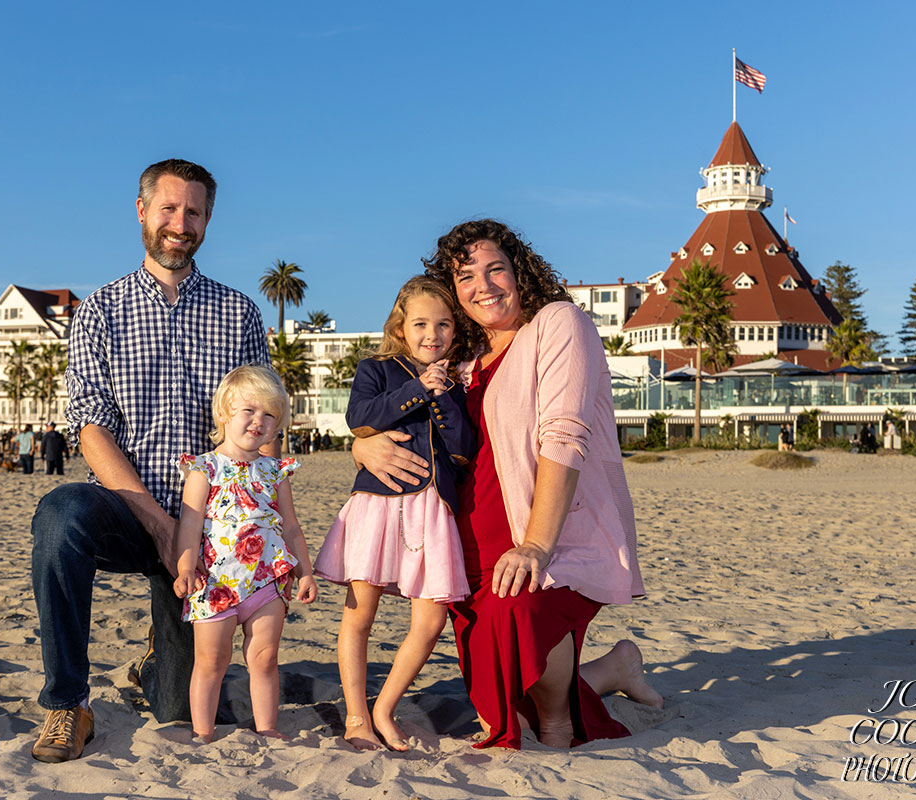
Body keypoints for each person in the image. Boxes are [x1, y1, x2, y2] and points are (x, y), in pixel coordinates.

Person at [353, 220, 661, 750]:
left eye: (496, 268)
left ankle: (563, 722)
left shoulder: (558, 323)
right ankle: (613, 670)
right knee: (503, 684)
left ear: (520, 272)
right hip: (464, 539)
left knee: (519, 616)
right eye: (466, 276)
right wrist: (361, 444)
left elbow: (565, 436)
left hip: (540, 528)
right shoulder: (460, 360)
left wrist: (537, 544)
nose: (484, 285)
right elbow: (404, 421)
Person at [29, 159, 272, 763]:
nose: (179, 223)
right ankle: (67, 703)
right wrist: (162, 528)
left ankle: (155, 660)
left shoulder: (238, 312)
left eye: (193, 211)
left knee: (178, 706)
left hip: (210, 526)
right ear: (141, 211)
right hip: (125, 509)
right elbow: (90, 428)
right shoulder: (100, 311)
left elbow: (264, 427)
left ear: (208, 220)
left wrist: (255, 532)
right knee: (60, 515)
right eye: (168, 208)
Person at [314, 275, 473, 750]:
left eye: (444, 325)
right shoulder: (376, 369)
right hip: (378, 507)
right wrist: (418, 389)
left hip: (431, 511)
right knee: (359, 616)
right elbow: (360, 417)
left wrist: (443, 394)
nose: (433, 334)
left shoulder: (456, 383)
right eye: (421, 323)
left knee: (430, 622)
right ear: (400, 327)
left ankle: (384, 707)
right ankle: (357, 717)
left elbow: (464, 450)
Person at [174, 366, 317, 742]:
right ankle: (202, 731)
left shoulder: (275, 472)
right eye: (249, 411)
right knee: (211, 661)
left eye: (270, 415)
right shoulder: (204, 469)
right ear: (223, 413)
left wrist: (305, 572)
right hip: (216, 584)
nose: (259, 421)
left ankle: (267, 727)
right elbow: (188, 525)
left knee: (265, 659)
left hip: (267, 582)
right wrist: (186, 566)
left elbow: (291, 527)